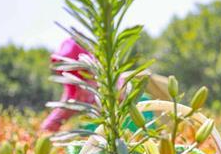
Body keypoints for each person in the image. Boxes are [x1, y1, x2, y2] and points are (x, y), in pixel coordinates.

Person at [42, 38, 172, 132]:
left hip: (135, 120)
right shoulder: (74, 89)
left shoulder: (106, 76)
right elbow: (56, 118)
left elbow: (121, 95)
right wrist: (48, 128)